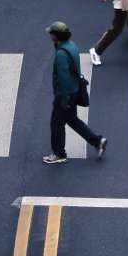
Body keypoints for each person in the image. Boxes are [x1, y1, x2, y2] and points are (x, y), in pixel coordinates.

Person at [44, 22, 107, 164]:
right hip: (74, 90)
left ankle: (59, 154)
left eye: (51, 33)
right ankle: (97, 141)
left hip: (65, 94)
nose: (49, 35)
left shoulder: (61, 54)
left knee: (56, 124)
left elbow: (63, 78)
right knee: (73, 120)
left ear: (56, 36)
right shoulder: (71, 46)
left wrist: (64, 100)